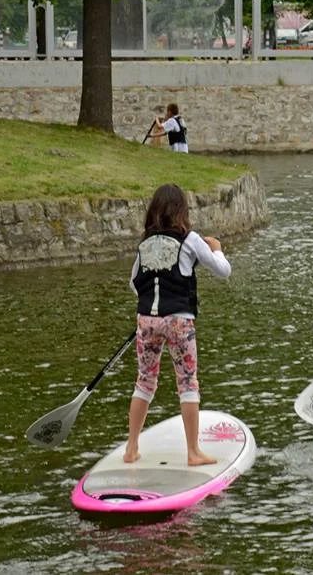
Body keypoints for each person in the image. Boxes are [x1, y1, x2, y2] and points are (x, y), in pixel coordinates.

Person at [124, 183, 231, 465]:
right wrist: (217, 250)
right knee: (187, 383)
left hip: (147, 319)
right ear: (182, 210)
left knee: (144, 382)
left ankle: (131, 448)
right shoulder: (190, 239)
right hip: (179, 321)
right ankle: (193, 452)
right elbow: (223, 270)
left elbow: (134, 283)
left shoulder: (145, 244)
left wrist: (153, 307)